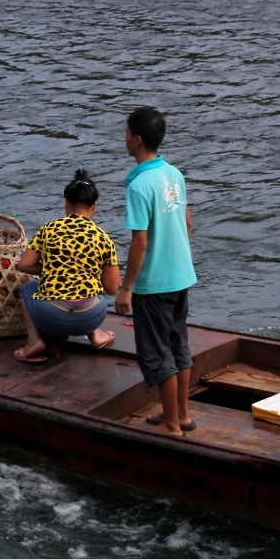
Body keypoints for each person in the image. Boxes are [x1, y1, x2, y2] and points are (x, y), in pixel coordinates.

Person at [114, 106, 197, 436]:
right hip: (181, 275)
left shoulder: (139, 185)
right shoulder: (173, 174)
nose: (123, 140)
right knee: (179, 345)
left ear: (136, 140)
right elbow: (188, 224)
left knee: (158, 351)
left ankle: (171, 425)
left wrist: (126, 287)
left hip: (155, 284)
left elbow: (139, 244)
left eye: (125, 135)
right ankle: (182, 415)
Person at [13, 169, 121, 363]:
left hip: (51, 316)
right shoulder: (103, 238)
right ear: (94, 206)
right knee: (92, 290)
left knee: (27, 289)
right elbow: (112, 289)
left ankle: (34, 341)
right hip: (91, 316)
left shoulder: (48, 229)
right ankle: (96, 335)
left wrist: (49, 268)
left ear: (66, 203)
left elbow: (24, 265)